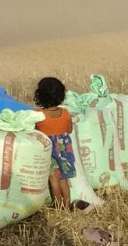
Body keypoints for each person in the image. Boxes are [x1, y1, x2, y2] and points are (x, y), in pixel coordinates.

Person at [34, 77, 92, 212]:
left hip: (49, 151)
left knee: (53, 180)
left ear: (40, 95)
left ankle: (59, 208)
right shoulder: (65, 113)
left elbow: (35, 132)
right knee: (64, 180)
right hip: (65, 149)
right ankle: (66, 207)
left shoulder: (38, 114)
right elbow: (69, 130)